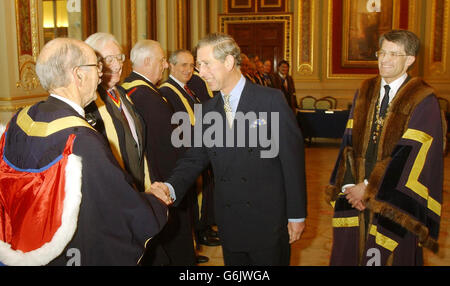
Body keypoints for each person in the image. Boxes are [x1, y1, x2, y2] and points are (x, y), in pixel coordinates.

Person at [0, 38, 167, 266]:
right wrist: (155, 202)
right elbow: (120, 209)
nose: (101, 73)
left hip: (21, 244)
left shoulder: (20, 120)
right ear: (78, 75)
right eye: (96, 66)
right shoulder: (81, 140)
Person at [150, 33, 307, 266]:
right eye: (198, 65)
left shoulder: (270, 101)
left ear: (229, 62)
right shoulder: (208, 109)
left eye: (205, 64)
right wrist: (171, 187)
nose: (200, 73)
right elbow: (194, 158)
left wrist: (296, 214)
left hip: (268, 220)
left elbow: (291, 162)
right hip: (230, 222)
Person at [326, 30, 446, 266]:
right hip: (355, 198)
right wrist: (351, 187)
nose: (384, 59)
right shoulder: (365, 90)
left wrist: (369, 188)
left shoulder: (423, 99)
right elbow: (348, 142)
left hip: (394, 199)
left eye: (394, 54)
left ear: (409, 59)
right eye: (382, 52)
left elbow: (410, 156)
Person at [121, 41, 197, 266]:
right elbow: (167, 145)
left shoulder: (129, 88)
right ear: (147, 62)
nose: (165, 65)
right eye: (162, 60)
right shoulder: (145, 95)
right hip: (162, 177)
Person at [159, 49, 220, 257]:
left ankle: (202, 230)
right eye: (183, 65)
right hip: (187, 151)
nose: (188, 70)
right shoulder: (167, 91)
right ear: (171, 66)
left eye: (191, 65)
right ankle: (198, 235)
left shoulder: (187, 88)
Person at [84, 33, 148, 193]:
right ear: (94, 64)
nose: (118, 65)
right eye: (109, 59)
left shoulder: (123, 94)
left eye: (119, 57)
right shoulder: (88, 102)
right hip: (111, 192)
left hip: (137, 186)